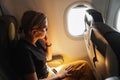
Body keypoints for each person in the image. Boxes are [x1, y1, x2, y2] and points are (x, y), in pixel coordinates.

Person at [12, 10, 96, 80]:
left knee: (84, 65)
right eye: (45, 28)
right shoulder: (24, 51)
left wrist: (48, 43)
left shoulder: (36, 41)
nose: (47, 30)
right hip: (49, 77)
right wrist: (59, 76)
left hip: (51, 72)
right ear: (34, 32)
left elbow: (48, 58)